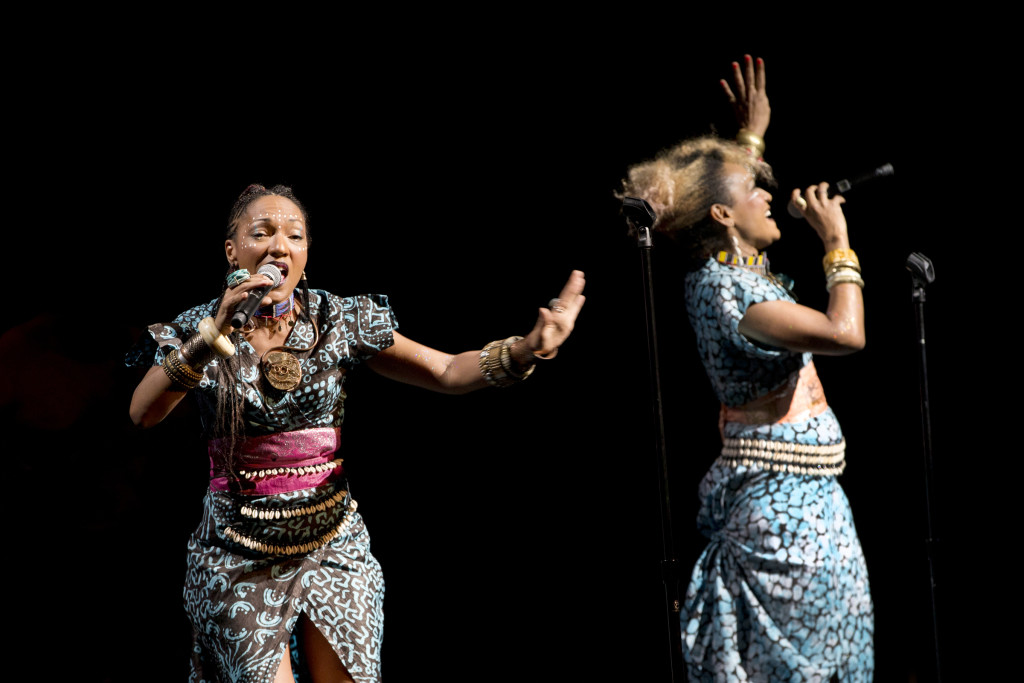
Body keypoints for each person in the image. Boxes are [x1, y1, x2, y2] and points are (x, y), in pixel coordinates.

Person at [125, 183, 585, 683]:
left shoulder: (338, 320)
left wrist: (526, 351)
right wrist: (212, 337)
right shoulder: (200, 328)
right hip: (238, 552)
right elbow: (142, 413)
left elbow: (449, 370)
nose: (280, 245)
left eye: (294, 236)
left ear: (304, 254)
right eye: (262, 232)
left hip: (332, 544)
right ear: (232, 250)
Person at [616, 55, 874, 681]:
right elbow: (847, 333)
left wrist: (749, 137)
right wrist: (836, 240)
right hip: (788, 522)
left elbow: (725, 189)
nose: (768, 190)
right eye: (752, 187)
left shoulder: (731, 274)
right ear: (723, 217)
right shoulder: (729, 292)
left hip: (804, 498)